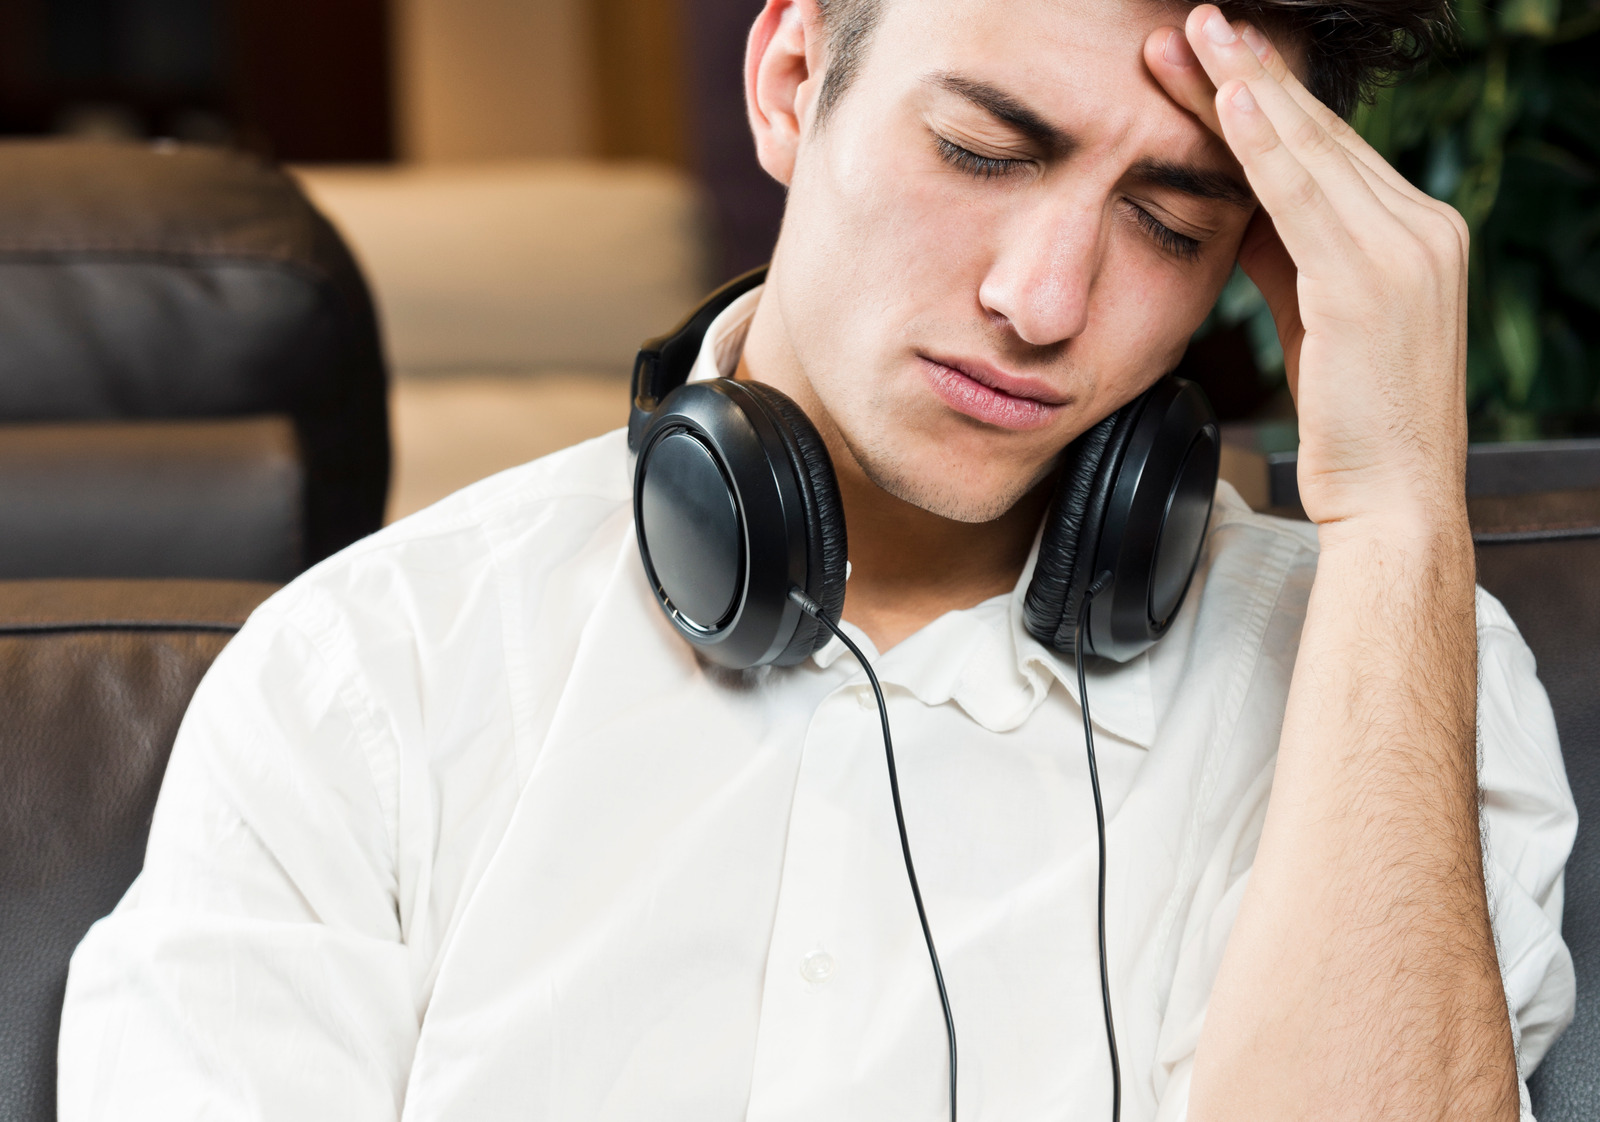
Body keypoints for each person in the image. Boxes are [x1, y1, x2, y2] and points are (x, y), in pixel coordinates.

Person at [59, 1, 1576, 1119]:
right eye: (982, 152)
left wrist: (1395, 521)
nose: (1043, 299)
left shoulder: (1400, 682)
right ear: (792, 84)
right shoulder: (368, 682)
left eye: (1170, 223)